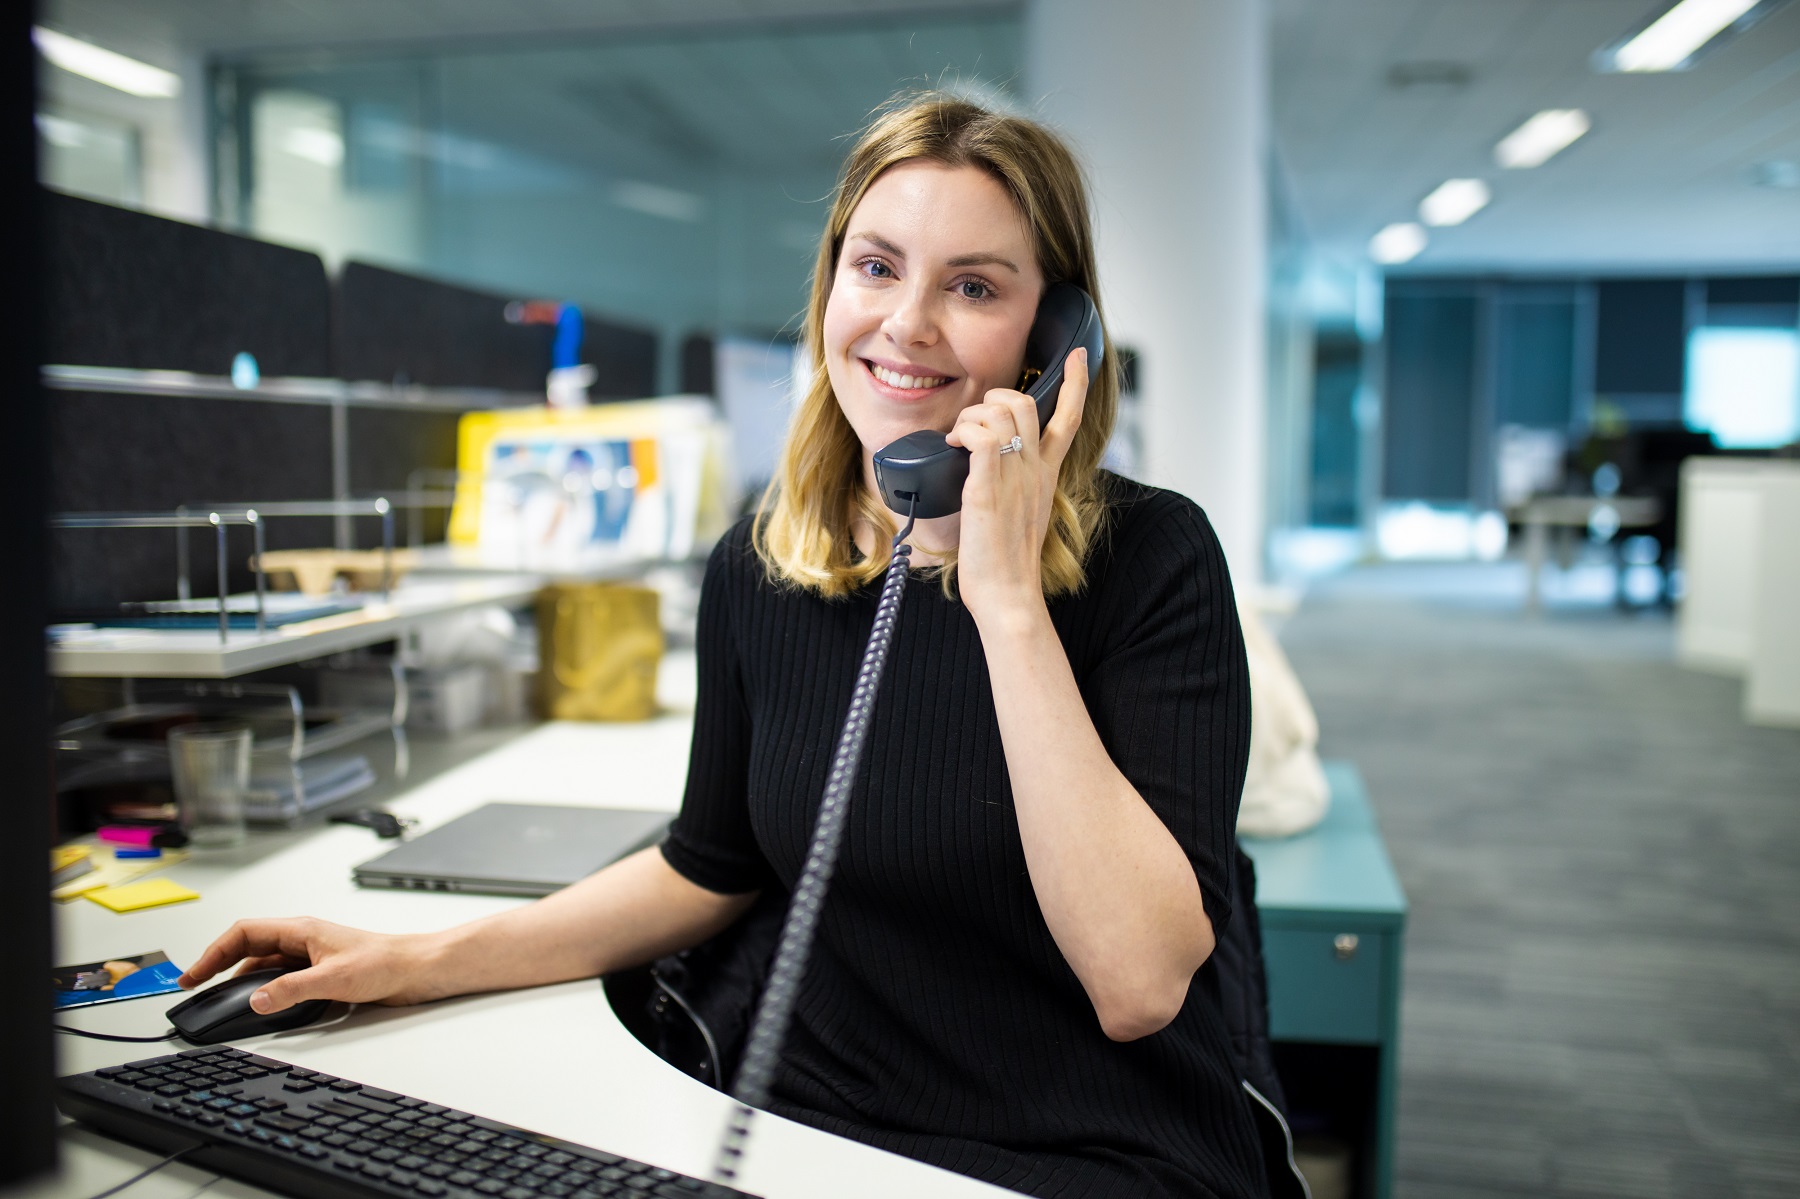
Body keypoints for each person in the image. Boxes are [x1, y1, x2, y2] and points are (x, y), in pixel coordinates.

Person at [179, 93, 1268, 1199]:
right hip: (810, 1131)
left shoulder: (1154, 559)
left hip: (1086, 1153)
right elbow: (709, 866)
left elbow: (1138, 981)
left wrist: (1004, 598)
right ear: (831, 287)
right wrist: (411, 961)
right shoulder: (764, 563)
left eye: (974, 285)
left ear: (1054, 341)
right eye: (877, 267)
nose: (907, 323)